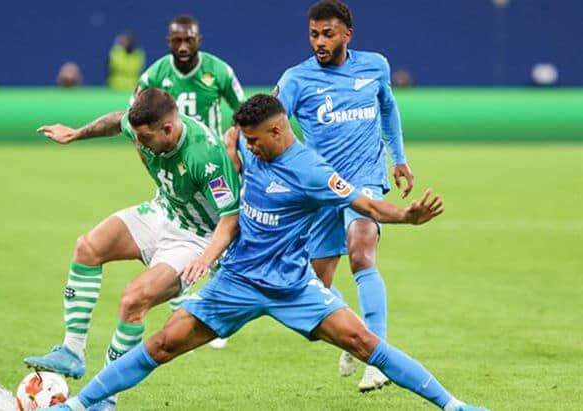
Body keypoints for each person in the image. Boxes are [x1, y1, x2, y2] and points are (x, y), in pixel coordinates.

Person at [41, 94, 487, 411]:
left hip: (292, 286)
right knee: (161, 344)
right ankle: (77, 405)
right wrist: (233, 144)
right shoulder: (249, 144)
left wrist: (406, 216)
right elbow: (233, 156)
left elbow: (365, 204)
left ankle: (454, 405)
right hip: (236, 280)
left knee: (364, 343)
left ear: (277, 131)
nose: (248, 148)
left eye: (254, 141)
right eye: (245, 140)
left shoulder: (312, 171)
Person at [228, 0, 413, 390]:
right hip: (320, 188)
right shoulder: (296, 79)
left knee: (361, 251)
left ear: (347, 34)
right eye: (314, 34)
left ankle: (378, 359)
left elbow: (388, 107)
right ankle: (356, 329)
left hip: (365, 178)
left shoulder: (375, 66)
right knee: (316, 284)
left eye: (328, 34)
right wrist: (246, 156)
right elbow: (263, 124)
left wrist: (399, 159)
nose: (319, 42)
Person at [24, 89, 240, 410]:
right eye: (136, 136)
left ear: (168, 129)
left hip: (195, 239)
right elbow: (117, 121)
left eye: (145, 138)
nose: (138, 143)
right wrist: (77, 134)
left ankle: (105, 399)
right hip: (162, 212)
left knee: (133, 300)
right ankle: (72, 352)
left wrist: (207, 259)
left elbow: (231, 217)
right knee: (88, 247)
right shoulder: (143, 127)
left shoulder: (205, 155)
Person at [134, 14, 245, 140]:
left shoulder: (220, 71)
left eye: (189, 40)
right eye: (177, 41)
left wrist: (232, 138)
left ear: (199, 40)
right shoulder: (154, 75)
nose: (183, 48)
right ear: (169, 42)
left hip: (210, 149)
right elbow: (132, 115)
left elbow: (243, 110)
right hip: (172, 150)